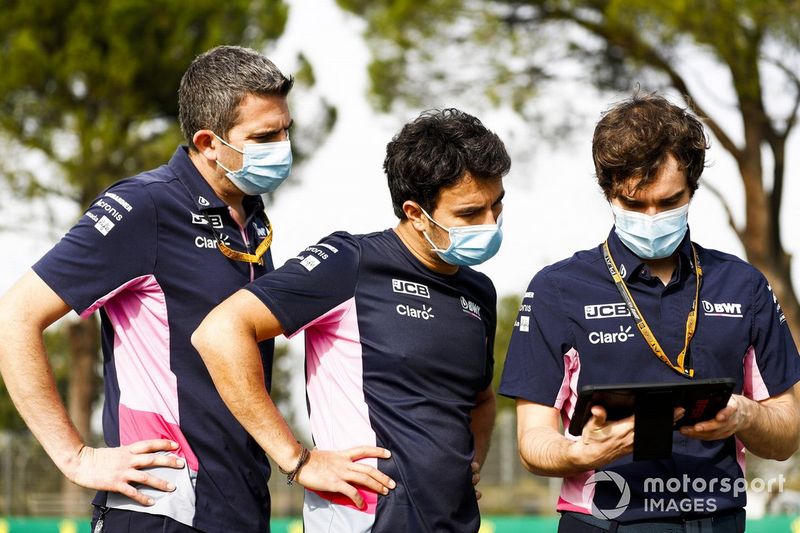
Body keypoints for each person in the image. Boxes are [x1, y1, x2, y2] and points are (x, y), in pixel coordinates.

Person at [0, 45, 390, 532]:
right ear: (208, 142)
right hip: (164, 508)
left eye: (286, 130)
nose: (283, 147)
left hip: (241, 507)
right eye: (265, 136)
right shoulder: (144, 206)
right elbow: (14, 318)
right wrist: (75, 457)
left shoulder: (250, 218)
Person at [192, 108, 509, 532]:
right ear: (415, 213)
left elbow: (482, 398)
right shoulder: (351, 262)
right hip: (361, 520)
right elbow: (219, 332)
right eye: (470, 214)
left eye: (497, 205)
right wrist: (296, 459)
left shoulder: (479, 291)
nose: (491, 223)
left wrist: (471, 461)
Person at [500, 93, 800, 532]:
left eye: (669, 200)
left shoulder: (744, 284)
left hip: (718, 518)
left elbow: (787, 433)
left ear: (692, 188)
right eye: (634, 204)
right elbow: (532, 442)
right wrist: (581, 453)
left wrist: (745, 415)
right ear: (609, 192)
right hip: (604, 520)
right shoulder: (556, 289)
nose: (653, 216)